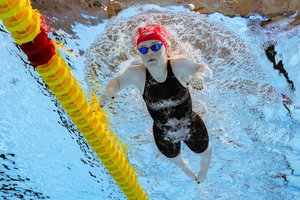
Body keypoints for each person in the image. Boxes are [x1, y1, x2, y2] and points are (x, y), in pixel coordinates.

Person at [100, 24, 212, 183]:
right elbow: (117, 82)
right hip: (162, 132)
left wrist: (197, 77)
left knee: (205, 153)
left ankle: (203, 170)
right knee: (175, 159)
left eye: (155, 46)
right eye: (143, 49)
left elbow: (203, 68)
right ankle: (185, 168)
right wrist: (109, 92)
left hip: (190, 124)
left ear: (165, 47)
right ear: (139, 53)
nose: (150, 52)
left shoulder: (178, 64)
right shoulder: (136, 73)